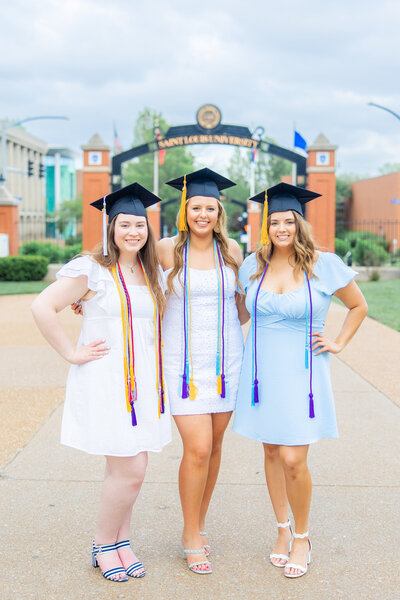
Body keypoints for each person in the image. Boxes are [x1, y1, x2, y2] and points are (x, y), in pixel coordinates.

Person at [31, 183, 171, 583]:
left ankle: (122, 542)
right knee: (132, 469)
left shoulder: (149, 269)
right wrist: (71, 353)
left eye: (139, 225)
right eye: (124, 224)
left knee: (125, 467)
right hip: (108, 378)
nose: (133, 232)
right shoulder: (91, 268)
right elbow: (42, 306)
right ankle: (102, 543)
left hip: (141, 380)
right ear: (111, 227)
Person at [233, 182, 368, 578]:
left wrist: (338, 342)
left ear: (299, 224)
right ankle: (281, 529)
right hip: (260, 373)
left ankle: (302, 537)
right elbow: (236, 312)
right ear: (265, 226)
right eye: (273, 221)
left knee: (294, 458)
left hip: (302, 374)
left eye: (288, 221)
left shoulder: (324, 265)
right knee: (272, 453)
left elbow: (358, 305)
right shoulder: (251, 266)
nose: (281, 228)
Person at [157, 168, 244, 574]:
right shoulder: (165, 249)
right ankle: (190, 534)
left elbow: (243, 308)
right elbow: (127, 275)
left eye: (210, 207)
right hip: (183, 364)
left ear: (219, 210)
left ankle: (199, 522)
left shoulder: (234, 252)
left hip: (226, 363)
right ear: (185, 209)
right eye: (196, 207)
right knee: (198, 448)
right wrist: (88, 300)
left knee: (216, 447)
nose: (203, 214)